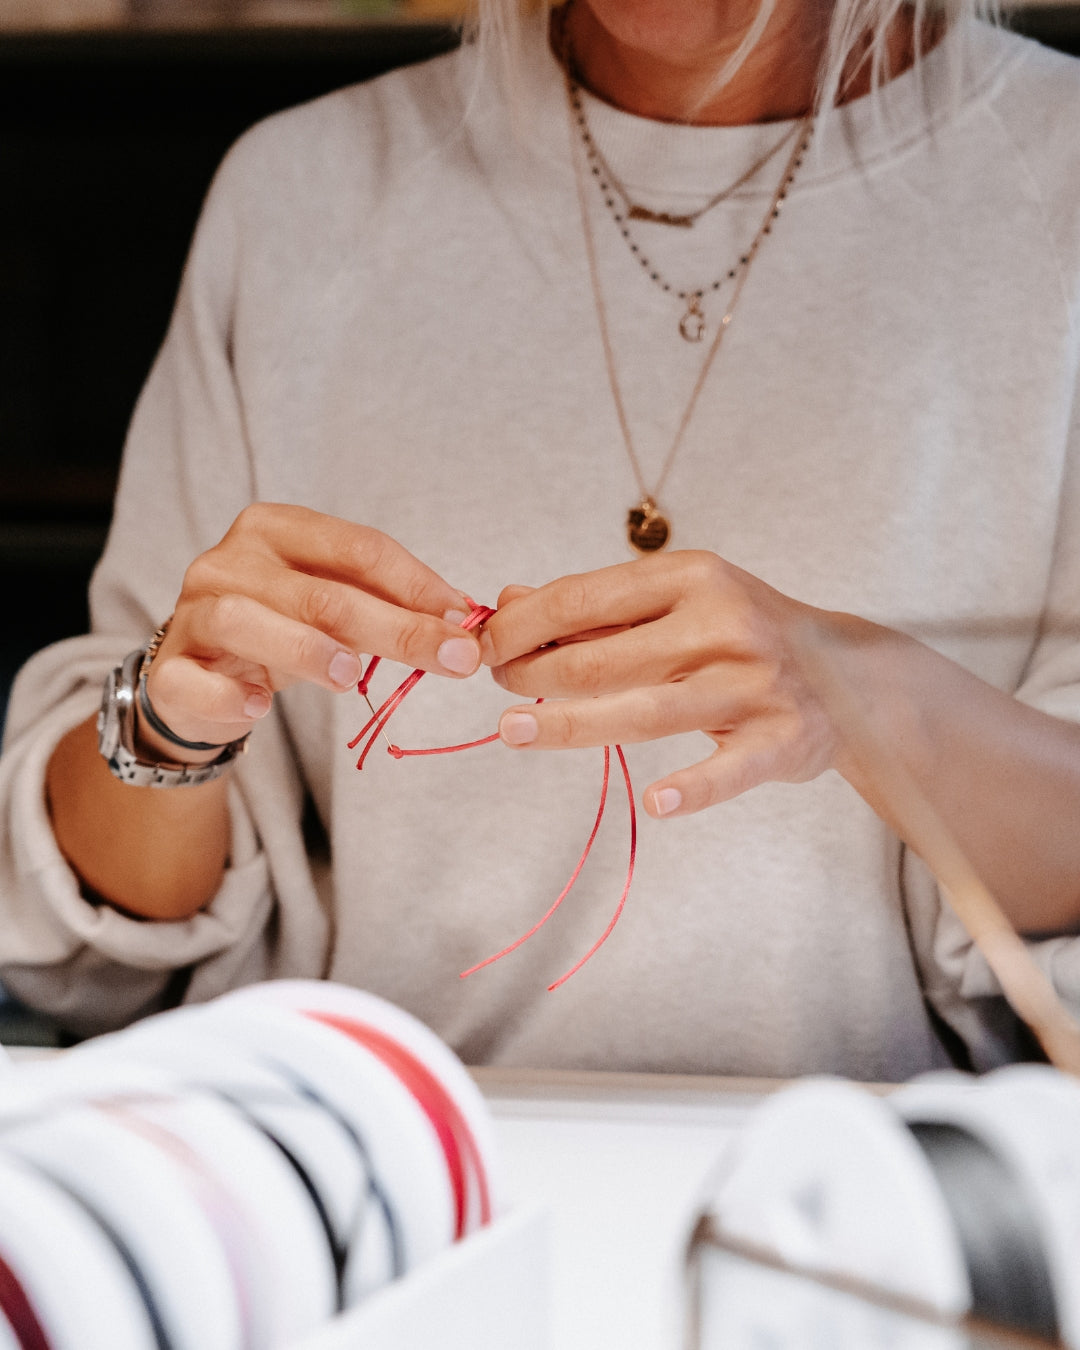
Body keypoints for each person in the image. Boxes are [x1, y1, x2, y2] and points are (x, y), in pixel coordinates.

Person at [0, 0, 1078, 1081]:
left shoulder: (1052, 178)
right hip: (398, 1190)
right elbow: (103, 955)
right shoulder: (299, 198)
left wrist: (866, 700)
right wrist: (171, 727)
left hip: (917, 1206)